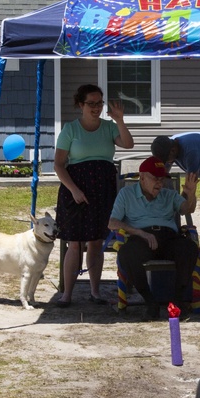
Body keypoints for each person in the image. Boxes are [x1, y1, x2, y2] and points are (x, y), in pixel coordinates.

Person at [54, 84, 134, 307]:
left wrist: (119, 120)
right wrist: (74, 190)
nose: (96, 108)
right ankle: (67, 294)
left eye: (99, 103)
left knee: (96, 241)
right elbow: (59, 165)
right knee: (75, 243)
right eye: (91, 103)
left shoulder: (109, 128)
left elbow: (128, 144)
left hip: (103, 188)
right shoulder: (70, 130)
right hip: (76, 189)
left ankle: (95, 291)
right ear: (80, 104)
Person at [107, 157, 200, 320]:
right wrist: (139, 232)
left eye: (162, 178)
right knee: (127, 253)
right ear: (142, 177)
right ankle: (150, 302)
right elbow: (112, 222)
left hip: (168, 237)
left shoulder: (168, 194)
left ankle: (177, 300)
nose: (160, 183)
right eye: (155, 178)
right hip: (141, 237)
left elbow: (187, 209)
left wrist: (190, 194)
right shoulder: (126, 194)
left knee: (189, 249)